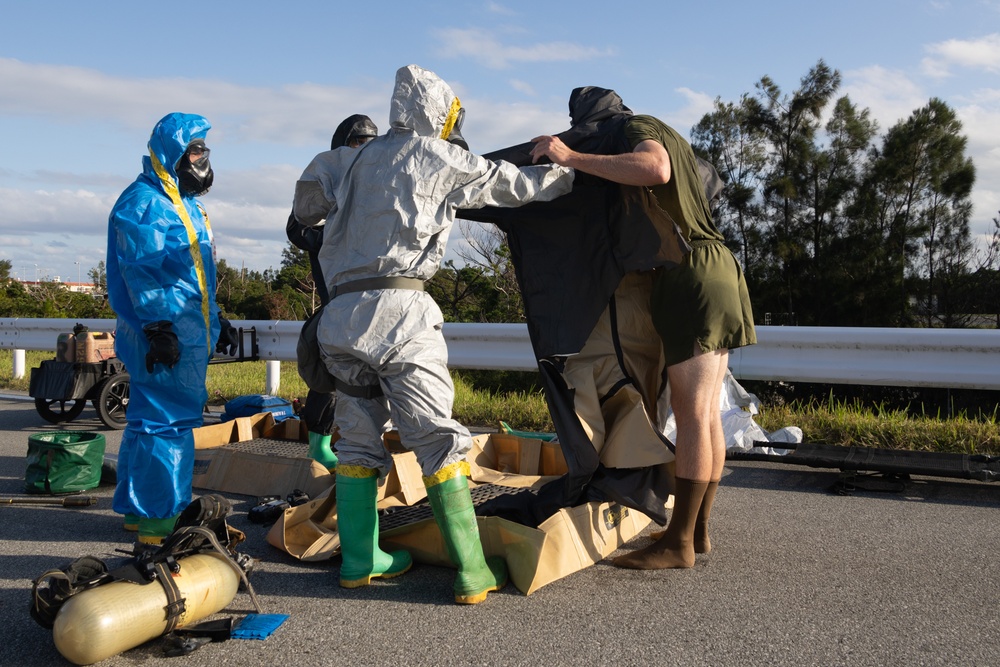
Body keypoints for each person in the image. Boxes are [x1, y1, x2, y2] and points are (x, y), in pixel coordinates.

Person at [292, 64, 574, 603]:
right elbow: (511, 187)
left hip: (340, 317)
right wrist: (569, 173)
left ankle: (359, 559)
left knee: (354, 438)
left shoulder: (346, 158)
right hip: (400, 310)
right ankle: (471, 571)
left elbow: (306, 207)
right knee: (437, 440)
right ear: (437, 111)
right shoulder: (437, 154)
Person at [530, 95, 756, 570]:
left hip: (687, 272)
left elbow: (654, 169)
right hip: (716, 267)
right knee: (708, 415)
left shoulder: (638, 130)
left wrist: (570, 157)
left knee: (692, 414)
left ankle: (677, 546)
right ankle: (695, 532)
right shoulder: (674, 135)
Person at [107, 112, 235, 545]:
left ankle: (137, 510)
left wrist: (217, 315)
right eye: (195, 149)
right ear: (173, 153)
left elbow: (194, 274)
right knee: (167, 424)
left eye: (204, 150)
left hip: (180, 327)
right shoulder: (145, 202)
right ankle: (159, 521)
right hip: (162, 329)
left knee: (149, 419)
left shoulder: (184, 203)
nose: (202, 158)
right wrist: (158, 325)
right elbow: (141, 271)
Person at [286, 114, 379, 471]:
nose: (364, 149)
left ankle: (365, 445)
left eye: (370, 142)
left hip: (372, 298)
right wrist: (329, 237)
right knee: (330, 375)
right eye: (358, 142)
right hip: (336, 295)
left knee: (372, 375)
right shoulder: (325, 176)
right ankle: (319, 443)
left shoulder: (378, 184)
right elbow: (296, 227)